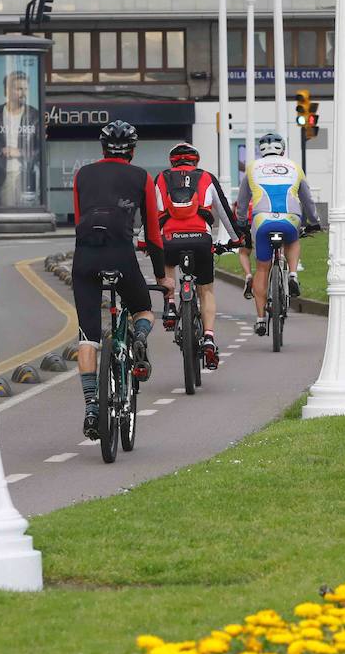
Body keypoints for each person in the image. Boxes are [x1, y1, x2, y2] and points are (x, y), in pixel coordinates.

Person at [70, 120, 161, 439]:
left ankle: (92, 407)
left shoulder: (82, 175)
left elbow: (80, 218)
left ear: (102, 149)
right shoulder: (142, 177)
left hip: (85, 258)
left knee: (88, 337)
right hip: (121, 256)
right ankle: (137, 337)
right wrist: (164, 278)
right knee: (145, 309)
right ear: (133, 151)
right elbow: (153, 234)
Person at [153, 143, 241, 370]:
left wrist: (145, 241)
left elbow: (152, 214)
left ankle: (171, 304)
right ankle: (209, 337)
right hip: (201, 240)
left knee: (166, 260)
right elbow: (223, 211)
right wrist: (236, 239)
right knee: (206, 290)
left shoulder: (161, 178)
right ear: (196, 161)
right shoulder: (206, 178)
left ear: (172, 162)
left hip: (171, 239)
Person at [235, 131, 321, 337]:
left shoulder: (252, 168)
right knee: (292, 240)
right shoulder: (295, 167)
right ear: (282, 149)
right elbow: (308, 201)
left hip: (262, 220)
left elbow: (242, 201)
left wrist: (240, 222)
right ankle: (292, 273)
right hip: (290, 218)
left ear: (261, 150)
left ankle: (260, 320)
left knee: (262, 269)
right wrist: (315, 222)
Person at [0, 69, 42, 207]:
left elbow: (40, 149)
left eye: (25, 89)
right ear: (8, 90)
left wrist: (19, 152)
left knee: (27, 210)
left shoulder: (34, 115)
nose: (23, 93)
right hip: (1, 174)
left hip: (25, 172)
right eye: (19, 89)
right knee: (8, 210)